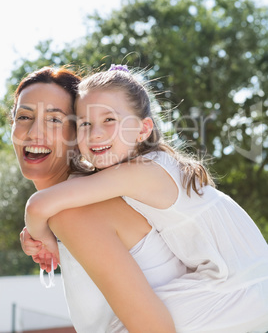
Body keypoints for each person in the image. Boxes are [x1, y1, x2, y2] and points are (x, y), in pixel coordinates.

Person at [24, 64, 268, 332]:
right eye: (84, 124)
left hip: (237, 287)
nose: (95, 133)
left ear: (143, 130)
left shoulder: (140, 171)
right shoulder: (141, 168)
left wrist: (41, 237)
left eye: (109, 120)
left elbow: (39, 204)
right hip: (239, 283)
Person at [13, 66, 179, 332]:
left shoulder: (75, 213)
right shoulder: (71, 206)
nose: (34, 133)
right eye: (23, 116)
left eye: (55, 120)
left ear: (80, 131)